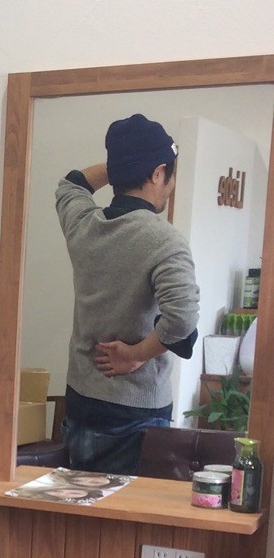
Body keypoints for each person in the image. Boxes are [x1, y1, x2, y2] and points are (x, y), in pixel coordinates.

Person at [56, 113, 199, 474]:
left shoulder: (83, 224)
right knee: (129, 511)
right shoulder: (164, 240)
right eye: (170, 174)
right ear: (157, 173)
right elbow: (182, 319)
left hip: (81, 399)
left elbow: (71, 185)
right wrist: (136, 355)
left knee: (82, 506)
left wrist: (123, 164)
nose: (171, 185)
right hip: (137, 412)